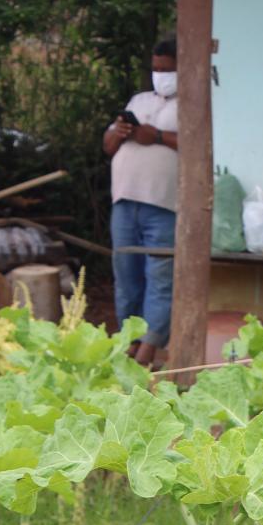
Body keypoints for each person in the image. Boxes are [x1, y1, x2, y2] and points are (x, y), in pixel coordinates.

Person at [104, 39, 179, 366]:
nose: (160, 75)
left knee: (159, 277)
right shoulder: (138, 99)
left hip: (164, 205)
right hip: (124, 201)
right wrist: (120, 132)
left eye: (167, 69)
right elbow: (107, 146)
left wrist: (159, 136)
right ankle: (129, 340)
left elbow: (200, 142)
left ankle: (150, 347)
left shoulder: (192, 103)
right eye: (157, 69)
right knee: (126, 275)